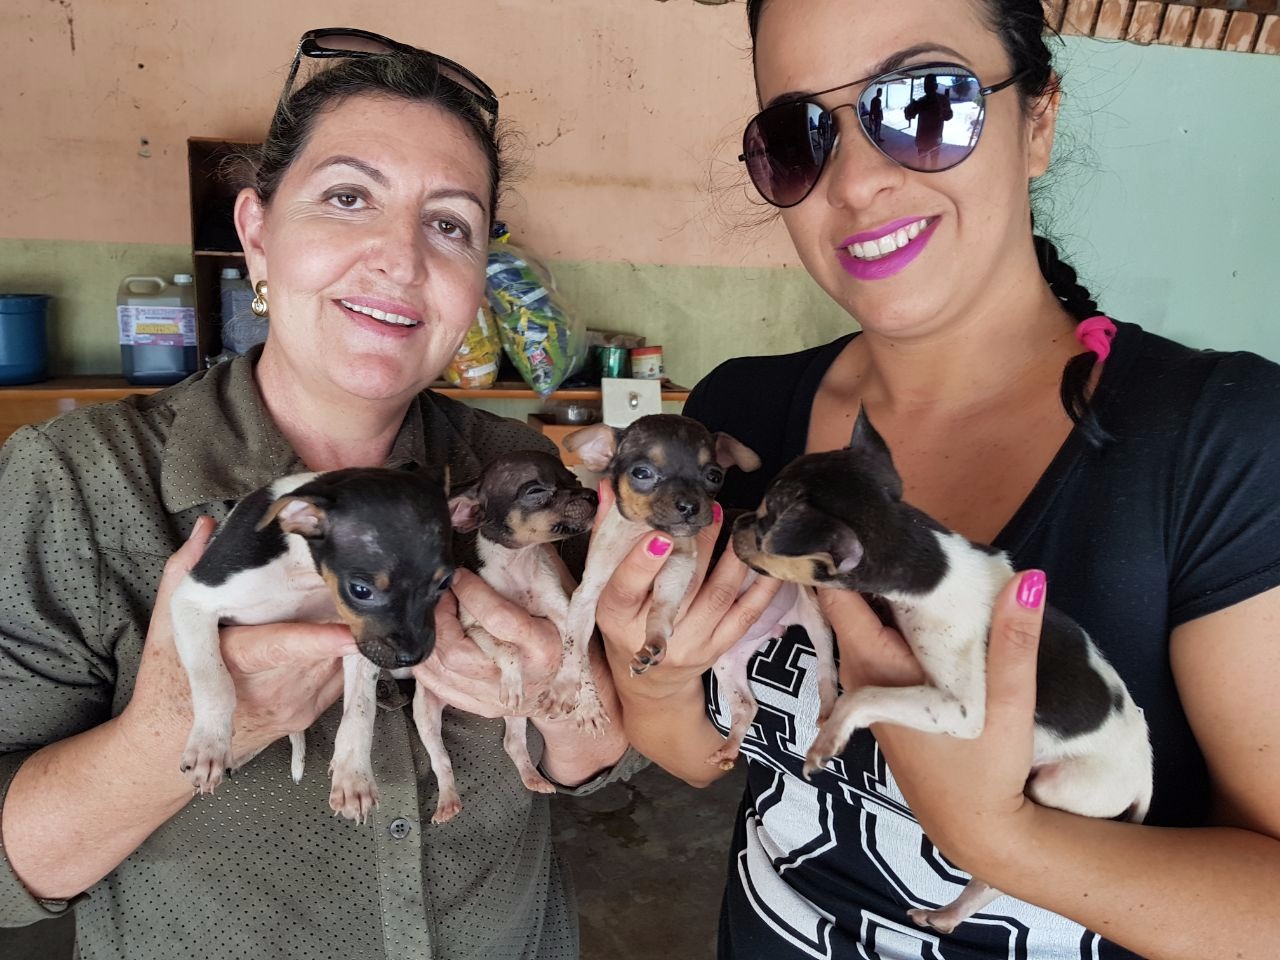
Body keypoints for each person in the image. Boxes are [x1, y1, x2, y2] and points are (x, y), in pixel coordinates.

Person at [594, 1, 1280, 958]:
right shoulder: (735, 421)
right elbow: (705, 760)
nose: (858, 180)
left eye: (925, 104)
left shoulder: (1229, 440)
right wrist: (656, 685)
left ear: (1036, 119)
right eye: (800, 135)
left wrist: (1002, 838)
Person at [0, 29, 635, 960]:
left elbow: (593, 763)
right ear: (256, 233)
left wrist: (554, 694)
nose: (401, 259)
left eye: (450, 224)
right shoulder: (81, 483)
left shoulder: (508, 472)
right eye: (347, 198)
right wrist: (176, 732)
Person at [903, 72, 953, 168]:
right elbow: (908, 116)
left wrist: (944, 109)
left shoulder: (942, 100)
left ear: (936, 86)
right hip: (924, 141)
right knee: (924, 165)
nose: (928, 88)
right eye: (926, 85)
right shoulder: (922, 101)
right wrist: (910, 108)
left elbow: (949, 116)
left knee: (933, 165)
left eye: (930, 85)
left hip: (933, 140)